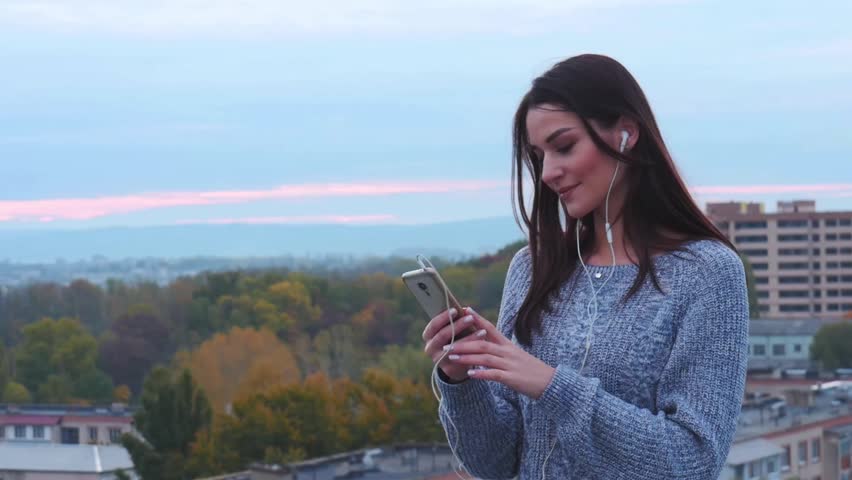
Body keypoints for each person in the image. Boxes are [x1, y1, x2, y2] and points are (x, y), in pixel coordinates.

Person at [421, 53, 749, 480]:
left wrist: (551, 386)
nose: (548, 173)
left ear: (627, 134)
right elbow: (498, 466)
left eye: (564, 146)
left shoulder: (707, 275)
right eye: (538, 156)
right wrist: (462, 382)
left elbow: (690, 461)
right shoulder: (532, 268)